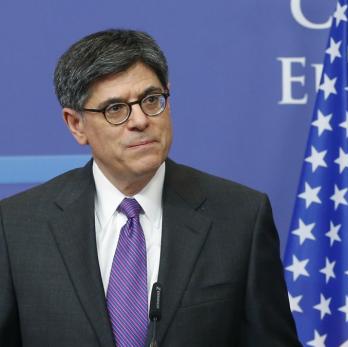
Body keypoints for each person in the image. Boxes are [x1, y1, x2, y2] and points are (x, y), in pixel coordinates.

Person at [0, 29, 300, 346]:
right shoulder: (17, 226)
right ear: (76, 124)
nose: (140, 120)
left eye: (151, 100)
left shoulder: (240, 217)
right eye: (115, 108)